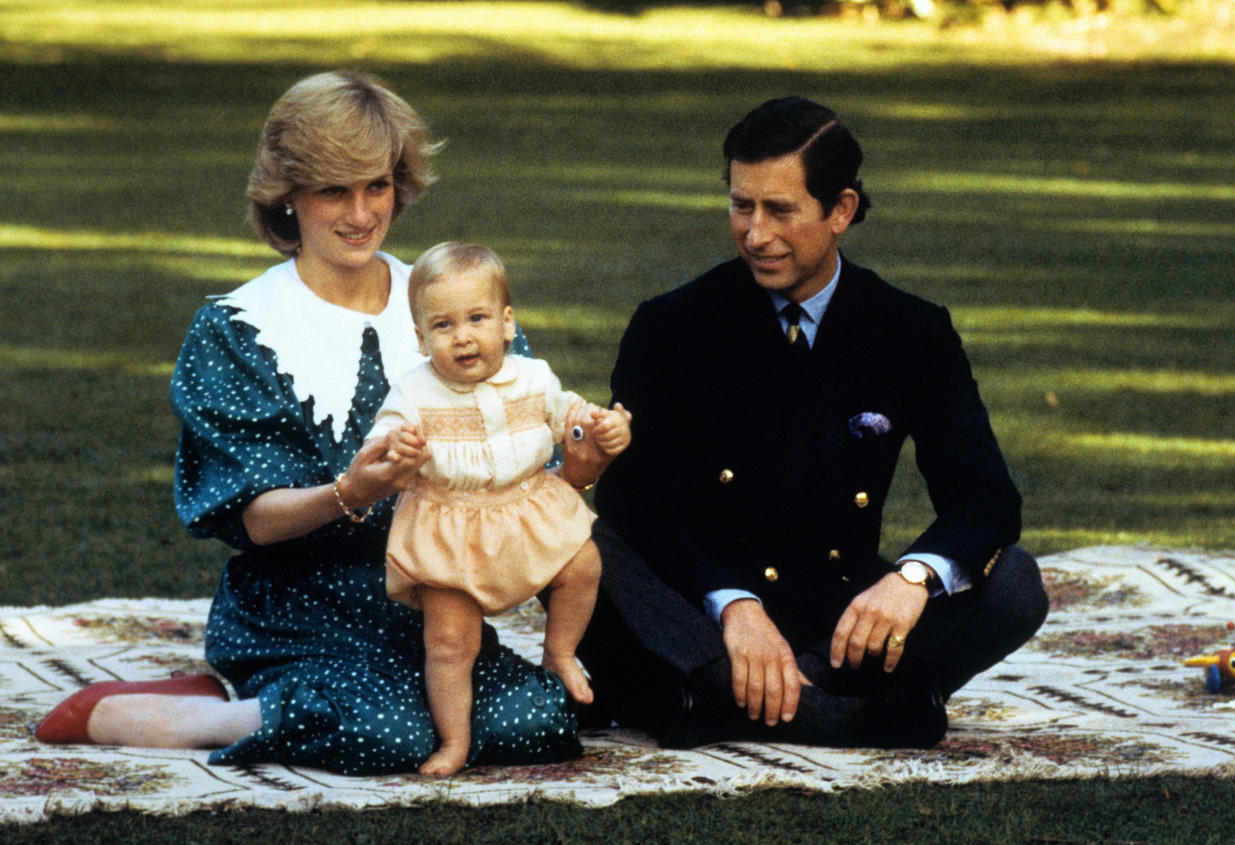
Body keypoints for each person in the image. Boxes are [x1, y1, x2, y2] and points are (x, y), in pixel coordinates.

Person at [34, 70, 608, 774]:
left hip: (434, 601)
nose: (362, 213)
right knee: (388, 732)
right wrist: (352, 491)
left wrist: (580, 462)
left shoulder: (452, 305)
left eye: (377, 185)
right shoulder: (238, 329)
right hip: (293, 606)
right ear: (288, 197)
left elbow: (524, 471)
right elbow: (251, 519)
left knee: (540, 721)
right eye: (334, 190)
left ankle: (284, 706)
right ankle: (206, 714)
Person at [577, 96, 1049, 750]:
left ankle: (719, 703)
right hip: (701, 615)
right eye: (741, 205)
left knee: (1016, 581)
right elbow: (635, 505)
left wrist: (912, 579)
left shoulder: (910, 331)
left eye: (780, 210)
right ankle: (838, 713)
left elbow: (986, 497)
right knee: (573, 541)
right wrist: (733, 603)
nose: (755, 233)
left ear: (842, 210)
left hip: (838, 620)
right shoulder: (671, 326)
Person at [366, 241, 631, 775]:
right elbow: (383, 434)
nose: (462, 336)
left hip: (526, 510)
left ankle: (559, 650)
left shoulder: (533, 378)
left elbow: (571, 418)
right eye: (442, 326)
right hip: (450, 527)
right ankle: (455, 742)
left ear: (507, 324)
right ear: (420, 338)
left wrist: (606, 427)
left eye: (477, 319)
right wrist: (396, 447)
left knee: (585, 562)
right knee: (448, 642)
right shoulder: (413, 392)